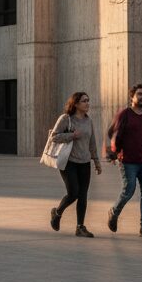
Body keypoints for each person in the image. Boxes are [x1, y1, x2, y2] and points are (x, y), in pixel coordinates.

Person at [107, 83, 142, 237]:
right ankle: (114, 211)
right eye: (139, 94)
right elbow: (112, 132)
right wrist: (114, 153)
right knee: (128, 191)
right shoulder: (124, 114)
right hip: (127, 162)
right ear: (132, 97)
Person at [48, 92, 103, 237]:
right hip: (69, 162)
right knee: (73, 193)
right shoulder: (66, 118)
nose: (87, 103)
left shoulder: (88, 121)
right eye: (84, 101)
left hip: (85, 162)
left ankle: (80, 227)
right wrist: (72, 135)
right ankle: (57, 212)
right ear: (76, 103)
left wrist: (96, 161)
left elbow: (92, 142)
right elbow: (54, 137)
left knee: (83, 195)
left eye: (88, 100)